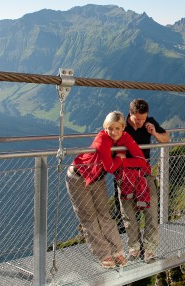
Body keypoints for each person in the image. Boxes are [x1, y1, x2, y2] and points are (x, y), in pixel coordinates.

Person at [66, 111, 150, 269]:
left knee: (104, 215)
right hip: (78, 177)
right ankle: (104, 254)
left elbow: (141, 161)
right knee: (89, 217)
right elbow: (110, 167)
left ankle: (117, 251)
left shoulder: (125, 137)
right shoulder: (102, 139)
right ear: (105, 127)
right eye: (110, 128)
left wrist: (123, 161)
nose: (114, 132)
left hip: (97, 178)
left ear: (123, 128)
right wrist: (120, 157)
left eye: (118, 128)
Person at [116, 98, 169, 263]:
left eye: (143, 118)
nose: (140, 122)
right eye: (137, 119)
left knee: (151, 212)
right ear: (130, 114)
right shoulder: (121, 124)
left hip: (144, 175)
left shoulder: (149, 122)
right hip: (125, 175)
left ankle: (150, 250)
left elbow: (165, 138)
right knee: (128, 215)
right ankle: (134, 249)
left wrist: (154, 133)